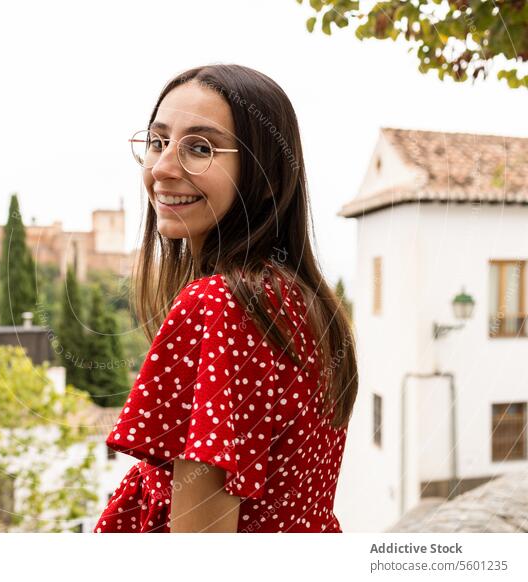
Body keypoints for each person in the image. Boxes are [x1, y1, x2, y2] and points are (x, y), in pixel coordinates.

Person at [92, 64, 358, 533]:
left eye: (200, 148)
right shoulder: (302, 300)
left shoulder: (219, 305)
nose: (162, 168)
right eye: (157, 142)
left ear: (266, 177)